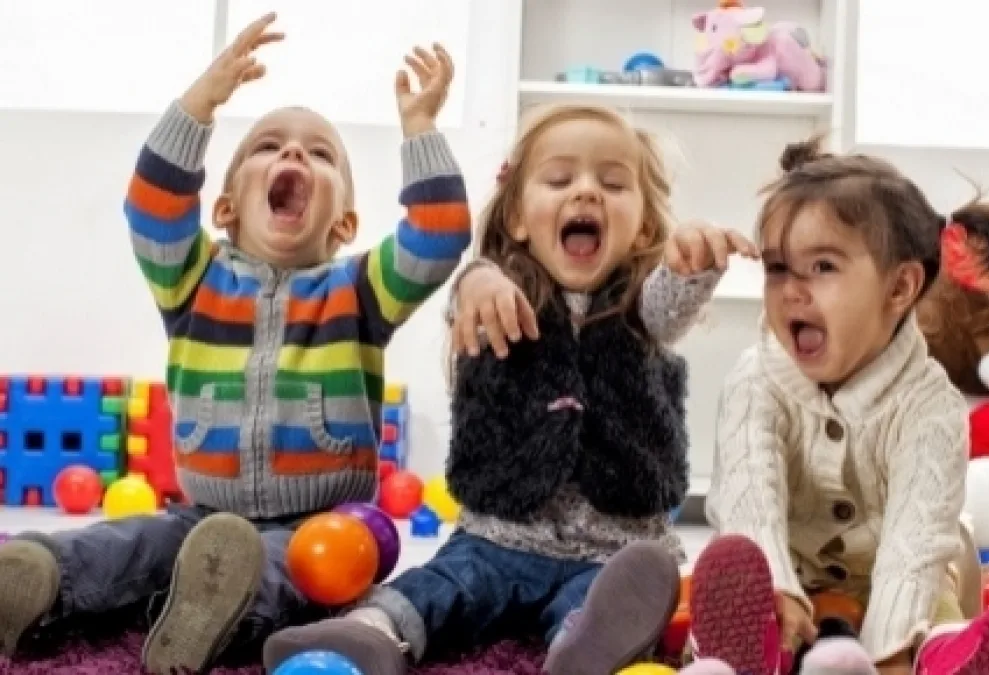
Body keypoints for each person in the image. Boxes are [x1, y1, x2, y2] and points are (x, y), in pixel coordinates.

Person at [0, 13, 472, 674]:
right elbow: (152, 205)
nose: (293, 157)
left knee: (304, 567)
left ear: (344, 223)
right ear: (224, 209)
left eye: (319, 154)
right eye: (268, 146)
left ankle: (214, 609)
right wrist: (201, 103)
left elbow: (438, 235)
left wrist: (420, 127)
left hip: (324, 521)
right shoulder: (191, 278)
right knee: (135, 542)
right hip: (202, 514)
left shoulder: (360, 289)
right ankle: (41, 573)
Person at [263, 102, 759, 675]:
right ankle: (369, 633)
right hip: (497, 541)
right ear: (520, 218)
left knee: (610, 605)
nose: (586, 191)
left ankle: (583, 648)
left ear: (644, 226)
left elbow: (670, 305)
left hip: (611, 553)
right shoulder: (498, 292)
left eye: (612, 183)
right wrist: (477, 280)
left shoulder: (640, 307)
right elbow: (471, 303)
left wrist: (691, 263)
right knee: (437, 587)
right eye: (560, 179)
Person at [690, 138, 989, 675]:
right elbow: (748, 497)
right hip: (792, 577)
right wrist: (776, 590)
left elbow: (914, 545)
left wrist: (887, 653)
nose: (791, 291)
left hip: (899, 582)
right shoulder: (756, 381)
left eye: (822, 266)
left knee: (934, 610)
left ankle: (948, 657)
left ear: (900, 288)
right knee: (742, 570)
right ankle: (756, 650)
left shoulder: (930, 405)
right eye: (778, 268)